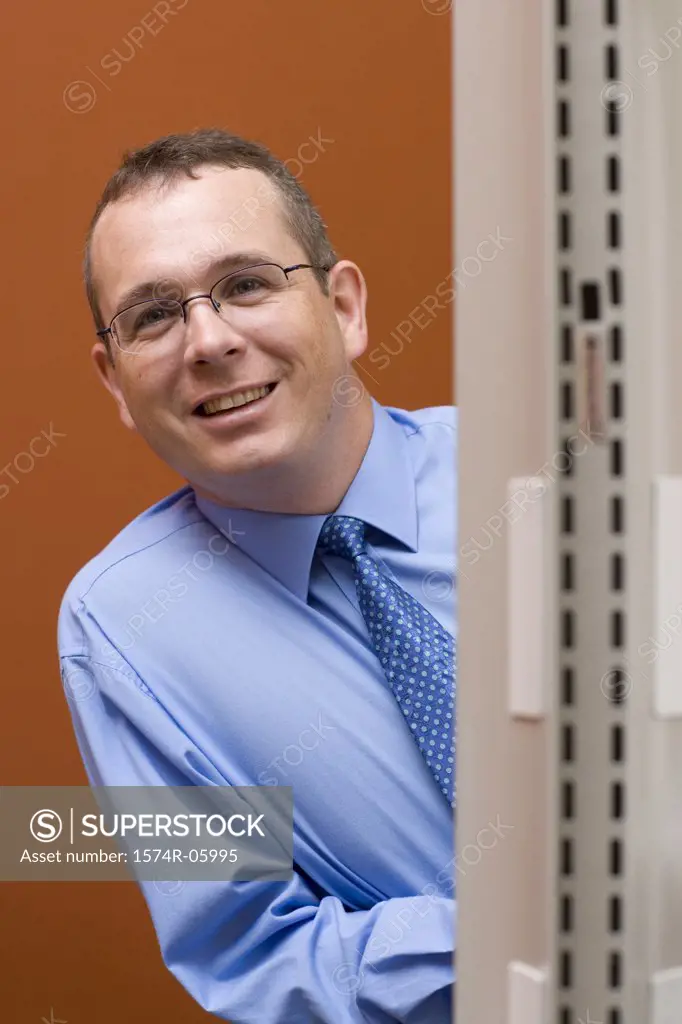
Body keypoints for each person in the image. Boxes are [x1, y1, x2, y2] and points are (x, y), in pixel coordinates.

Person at [57, 128, 457, 1023]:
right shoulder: (115, 628)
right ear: (115, 380)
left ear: (345, 307)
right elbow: (250, 949)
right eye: (153, 315)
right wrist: (532, 936)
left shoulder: (553, 469)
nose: (207, 340)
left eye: (244, 284)